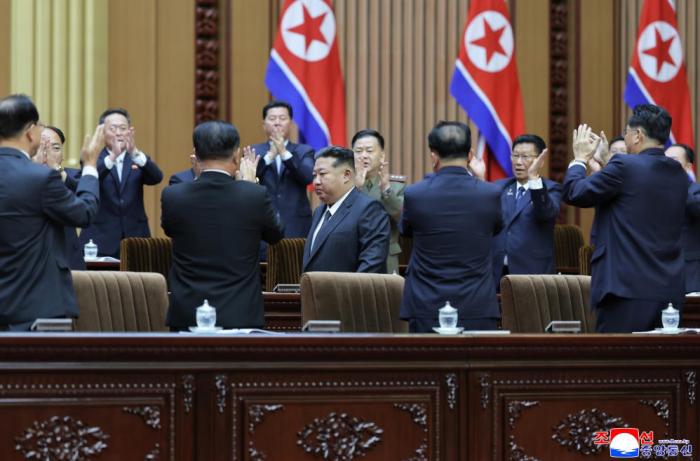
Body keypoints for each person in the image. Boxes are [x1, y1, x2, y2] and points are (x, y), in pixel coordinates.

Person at [563, 104, 688, 333]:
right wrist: (607, 162)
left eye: (626, 133)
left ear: (638, 135)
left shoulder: (624, 166)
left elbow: (574, 192)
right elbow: (630, 195)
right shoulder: (678, 172)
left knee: (618, 356)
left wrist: (579, 159)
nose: (625, 137)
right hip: (668, 290)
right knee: (663, 356)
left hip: (625, 291)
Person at [162, 121, 284, 331]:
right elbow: (276, 234)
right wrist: (250, 185)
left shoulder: (173, 195)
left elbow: (169, 229)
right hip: (240, 314)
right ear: (237, 155)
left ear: (196, 154)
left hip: (188, 313)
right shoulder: (253, 195)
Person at [0, 94, 102, 330]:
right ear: (30, 132)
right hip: (37, 309)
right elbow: (85, 213)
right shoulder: (40, 178)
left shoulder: (36, 176)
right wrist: (89, 167)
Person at [400, 121, 503, 333]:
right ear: (470, 155)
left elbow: (405, 230)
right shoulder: (490, 194)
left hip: (426, 303)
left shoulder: (415, 194)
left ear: (434, 156)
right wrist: (481, 180)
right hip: (477, 304)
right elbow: (496, 228)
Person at [78, 107, 163, 258]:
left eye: (123, 128)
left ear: (130, 132)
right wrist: (112, 158)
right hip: (100, 238)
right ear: (102, 132)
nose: (118, 133)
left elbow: (156, 177)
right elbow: (91, 178)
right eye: (113, 128)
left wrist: (135, 153)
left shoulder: (138, 159)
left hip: (136, 240)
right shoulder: (92, 158)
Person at [302, 146, 390, 273]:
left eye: (322, 174)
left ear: (346, 175)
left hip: (350, 287)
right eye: (314, 175)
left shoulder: (369, 210)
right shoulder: (319, 212)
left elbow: (371, 266)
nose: (316, 182)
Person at [491, 134, 561, 288]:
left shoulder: (551, 189)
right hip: (497, 272)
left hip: (532, 274)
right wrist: (476, 176)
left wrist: (534, 179)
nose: (518, 162)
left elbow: (545, 213)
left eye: (525, 157)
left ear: (540, 161)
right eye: (515, 156)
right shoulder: (500, 187)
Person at [253, 101, 315, 240]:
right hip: (263, 223)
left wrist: (284, 153)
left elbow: (307, 177)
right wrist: (269, 157)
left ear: (290, 123)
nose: (277, 123)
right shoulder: (254, 151)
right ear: (264, 124)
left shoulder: (304, 151)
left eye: (282, 118)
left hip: (296, 223)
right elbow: (248, 179)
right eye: (272, 118)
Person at [352, 129, 405, 274]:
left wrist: (386, 189)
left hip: (386, 256)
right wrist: (355, 188)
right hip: (352, 254)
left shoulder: (395, 186)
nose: (364, 156)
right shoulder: (344, 185)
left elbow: (403, 218)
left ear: (382, 156)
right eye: (358, 151)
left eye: (369, 151)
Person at [41, 126, 86, 270]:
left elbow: (84, 196)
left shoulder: (72, 176)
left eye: (55, 148)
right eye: (43, 147)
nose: (47, 153)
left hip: (69, 257)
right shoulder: (20, 176)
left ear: (62, 155)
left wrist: (59, 173)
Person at [665, 144, 700, 293]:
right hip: (660, 268)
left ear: (688, 166)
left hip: (689, 269)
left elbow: (696, 209)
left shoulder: (696, 190)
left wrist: (679, 183)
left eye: (673, 160)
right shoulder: (656, 191)